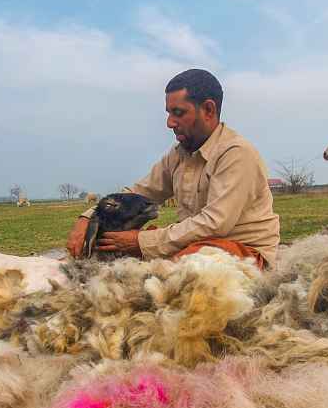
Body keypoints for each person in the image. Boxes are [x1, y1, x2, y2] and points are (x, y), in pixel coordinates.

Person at [66, 69, 280, 269]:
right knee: (112, 256)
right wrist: (88, 217)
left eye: (178, 113)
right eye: (169, 113)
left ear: (208, 110)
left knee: (181, 269)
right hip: (196, 246)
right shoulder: (178, 155)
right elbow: (141, 192)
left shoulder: (236, 153)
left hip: (242, 251)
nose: (170, 123)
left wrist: (141, 241)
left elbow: (215, 225)